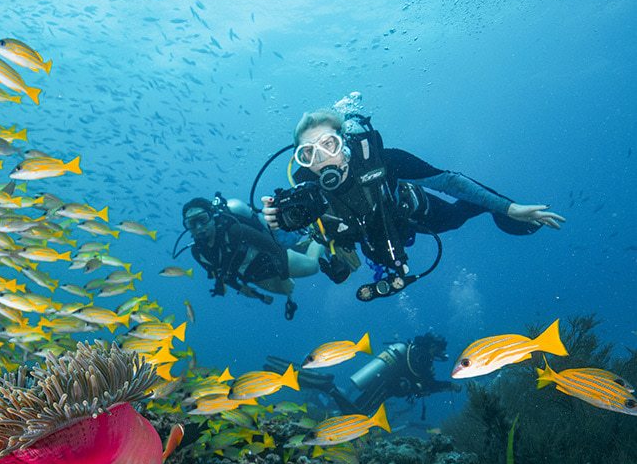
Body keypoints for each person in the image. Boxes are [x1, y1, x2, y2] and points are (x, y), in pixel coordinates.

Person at [262, 110, 566, 301]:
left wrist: (508, 208)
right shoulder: (304, 195)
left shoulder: (384, 160)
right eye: (308, 153)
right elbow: (301, 237)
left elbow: (447, 181)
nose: (322, 158)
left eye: (328, 144)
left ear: (343, 142)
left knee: (454, 218)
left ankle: (488, 209)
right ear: (301, 160)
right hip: (365, 238)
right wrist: (276, 223)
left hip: (410, 213)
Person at [181, 194, 324, 320]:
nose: (199, 227)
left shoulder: (235, 230)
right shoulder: (197, 252)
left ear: (212, 217)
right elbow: (221, 273)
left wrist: (285, 278)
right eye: (192, 223)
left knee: (313, 266)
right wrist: (241, 288)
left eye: (202, 219)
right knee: (285, 291)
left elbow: (274, 249)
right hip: (256, 276)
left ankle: (324, 236)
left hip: (271, 259)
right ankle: (301, 245)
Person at [348, 332, 459, 415]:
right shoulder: (423, 357)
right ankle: (343, 421)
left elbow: (422, 382)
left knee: (365, 404)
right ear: (433, 346)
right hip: (386, 383)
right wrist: (449, 385)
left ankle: (345, 422)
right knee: (363, 407)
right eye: (439, 350)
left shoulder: (417, 352)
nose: (439, 354)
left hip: (386, 383)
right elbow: (428, 384)